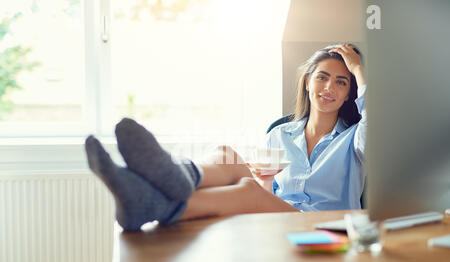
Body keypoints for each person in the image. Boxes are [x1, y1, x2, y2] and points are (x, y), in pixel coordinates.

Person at [85, 43, 366, 232]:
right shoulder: (281, 134)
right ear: (308, 82)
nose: (329, 87)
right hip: (281, 221)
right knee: (225, 155)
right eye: (322, 77)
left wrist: (359, 71)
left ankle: (151, 201)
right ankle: (174, 177)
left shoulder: (356, 138)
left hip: (326, 228)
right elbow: (270, 198)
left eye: (342, 82)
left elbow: (373, 127)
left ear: (349, 92)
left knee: (247, 190)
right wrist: (266, 181)